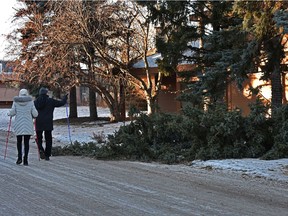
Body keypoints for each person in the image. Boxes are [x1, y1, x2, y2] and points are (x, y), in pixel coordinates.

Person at [34, 87, 68, 161]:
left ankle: (40, 149)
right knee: (48, 139)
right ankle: (47, 155)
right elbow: (61, 103)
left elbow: (32, 111)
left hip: (38, 121)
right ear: (46, 93)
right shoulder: (50, 101)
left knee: (39, 138)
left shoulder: (36, 102)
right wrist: (65, 98)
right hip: (48, 122)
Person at [8, 89, 38, 166]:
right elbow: (35, 114)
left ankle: (19, 158)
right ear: (27, 94)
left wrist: (9, 113)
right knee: (26, 142)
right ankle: (25, 159)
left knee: (19, 142)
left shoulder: (16, 102)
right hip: (28, 124)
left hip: (19, 124)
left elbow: (13, 112)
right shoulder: (30, 102)